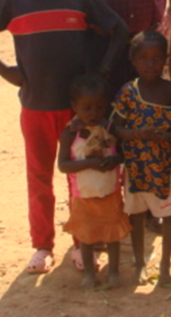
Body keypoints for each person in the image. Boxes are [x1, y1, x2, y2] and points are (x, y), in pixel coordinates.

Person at [0, 0, 128, 275]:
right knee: (39, 177)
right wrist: (4, 70)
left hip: (79, 115)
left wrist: (102, 71)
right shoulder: (14, 1)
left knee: (80, 179)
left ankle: (83, 242)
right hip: (36, 106)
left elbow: (119, 30)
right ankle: (42, 245)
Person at [110, 30, 171, 286]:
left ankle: (164, 267)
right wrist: (137, 133)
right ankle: (140, 263)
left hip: (165, 169)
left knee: (169, 215)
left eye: (156, 58)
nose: (150, 64)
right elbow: (115, 128)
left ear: (165, 59)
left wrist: (167, 136)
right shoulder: (128, 93)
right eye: (143, 58)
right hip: (136, 168)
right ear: (133, 61)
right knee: (137, 215)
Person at [58, 73, 131, 289]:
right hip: (83, 195)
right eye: (87, 108)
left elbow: (122, 154)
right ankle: (89, 273)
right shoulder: (70, 134)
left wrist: (113, 160)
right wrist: (89, 164)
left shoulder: (109, 128)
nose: (93, 113)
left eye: (99, 107)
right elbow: (63, 165)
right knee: (86, 236)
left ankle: (114, 272)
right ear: (75, 106)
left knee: (112, 235)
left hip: (109, 192)